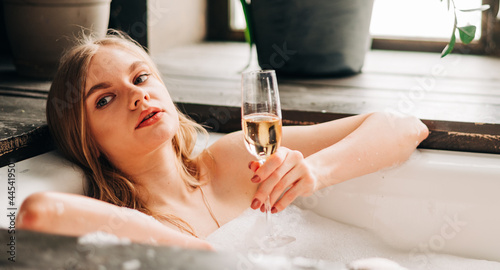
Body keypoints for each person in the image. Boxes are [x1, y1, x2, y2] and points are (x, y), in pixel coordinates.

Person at [16, 31, 429, 251]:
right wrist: (201, 255)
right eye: (105, 98)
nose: (137, 96)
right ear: (84, 137)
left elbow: (404, 127)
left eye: (141, 77)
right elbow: (37, 212)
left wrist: (315, 172)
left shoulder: (233, 158)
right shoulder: (122, 225)